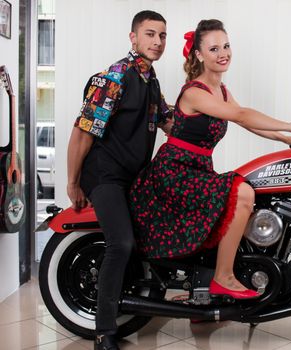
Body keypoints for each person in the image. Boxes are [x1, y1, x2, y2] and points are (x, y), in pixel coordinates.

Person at [129, 19, 291, 300]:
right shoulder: (193, 91)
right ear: (199, 55)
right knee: (242, 192)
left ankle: (206, 290)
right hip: (174, 172)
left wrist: (288, 140)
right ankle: (223, 277)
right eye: (214, 48)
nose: (223, 53)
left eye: (226, 46)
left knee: (245, 196)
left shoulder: (222, 91)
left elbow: (248, 122)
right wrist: (290, 125)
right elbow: (241, 115)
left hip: (199, 169)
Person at [66, 10, 173, 350]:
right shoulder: (115, 76)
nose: (157, 42)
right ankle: (103, 331)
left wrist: (216, 116)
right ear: (133, 37)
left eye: (162, 36)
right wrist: (73, 182)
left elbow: (171, 123)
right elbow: (82, 132)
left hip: (134, 176)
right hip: (106, 174)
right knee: (122, 243)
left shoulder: (150, 80)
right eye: (150, 34)